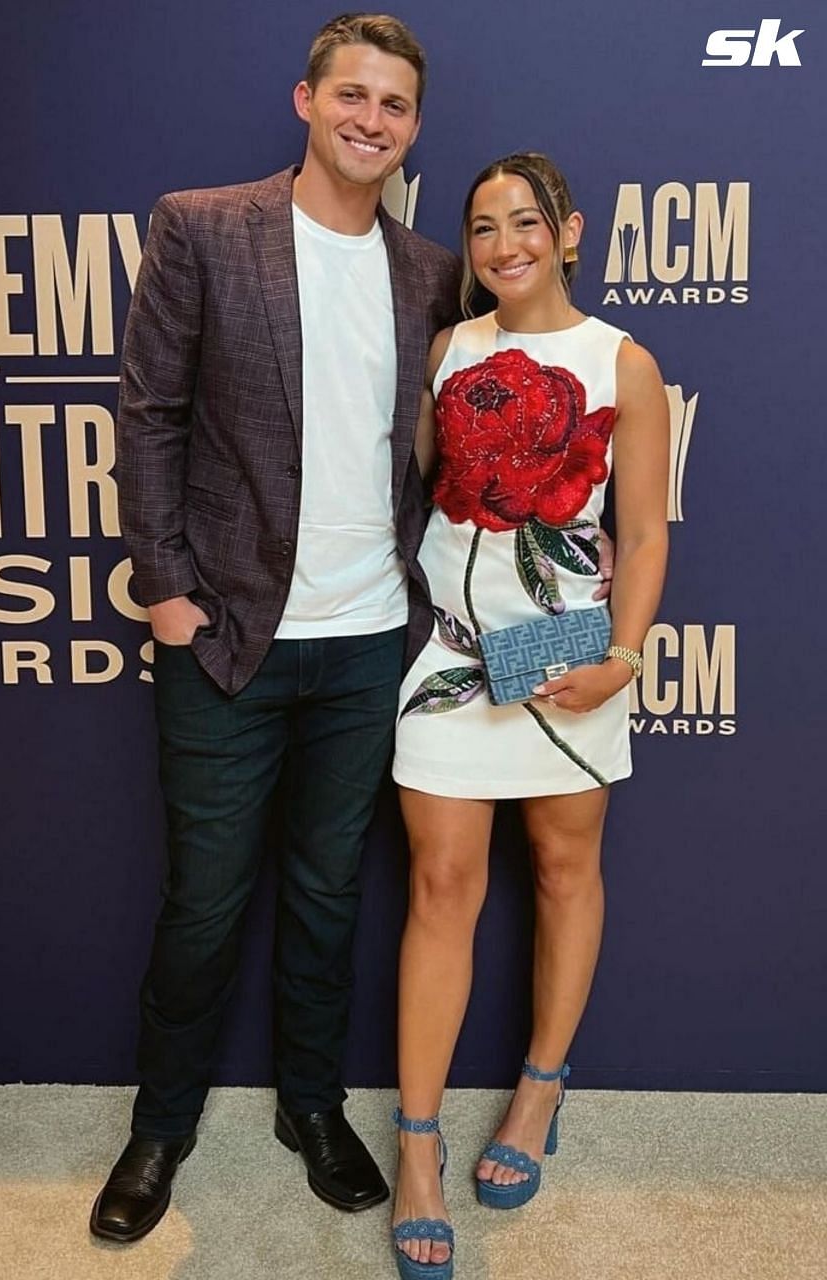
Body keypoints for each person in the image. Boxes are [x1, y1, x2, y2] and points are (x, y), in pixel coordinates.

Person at [97, 14, 461, 1243]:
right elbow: (148, 415)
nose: (371, 118)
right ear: (305, 99)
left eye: (395, 105)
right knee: (204, 901)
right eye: (351, 93)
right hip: (229, 635)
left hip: (370, 643)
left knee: (326, 896)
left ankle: (312, 1105)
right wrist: (167, 590)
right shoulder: (204, 224)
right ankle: (161, 1125)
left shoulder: (430, 272)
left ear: (414, 129)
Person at [386, 153, 668, 1279]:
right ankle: (417, 1151)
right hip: (454, 664)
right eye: (483, 227)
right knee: (441, 888)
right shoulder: (452, 350)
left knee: (563, 867)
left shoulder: (620, 362)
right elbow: (422, 502)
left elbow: (643, 535)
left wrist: (622, 658)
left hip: (565, 661)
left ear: (568, 232)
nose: (504, 244)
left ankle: (539, 1085)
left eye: (524, 223)